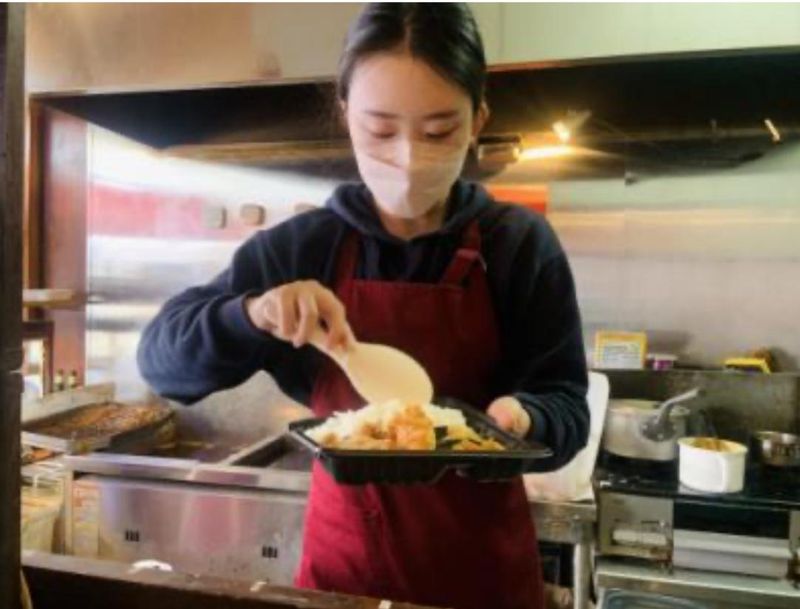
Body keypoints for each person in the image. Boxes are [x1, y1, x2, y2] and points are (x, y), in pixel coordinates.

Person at [138, 4, 589, 608]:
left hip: (483, 579)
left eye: (438, 132)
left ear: (478, 120)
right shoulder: (302, 249)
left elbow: (567, 409)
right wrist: (253, 314)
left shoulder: (518, 245)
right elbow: (162, 364)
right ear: (346, 112)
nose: (408, 157)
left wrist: (524, 421)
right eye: (380, 130)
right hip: (343, 578)